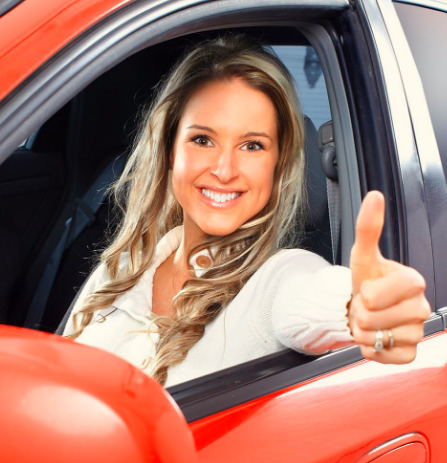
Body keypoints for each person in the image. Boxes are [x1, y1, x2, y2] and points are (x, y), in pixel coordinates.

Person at [63, 34, 430, 386]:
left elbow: (314, 298)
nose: (224, 170)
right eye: (202, 139)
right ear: (170, 151)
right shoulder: (121, 268)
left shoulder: (277, 279)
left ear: (278, 164)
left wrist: (366, 312)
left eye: (252, 146)